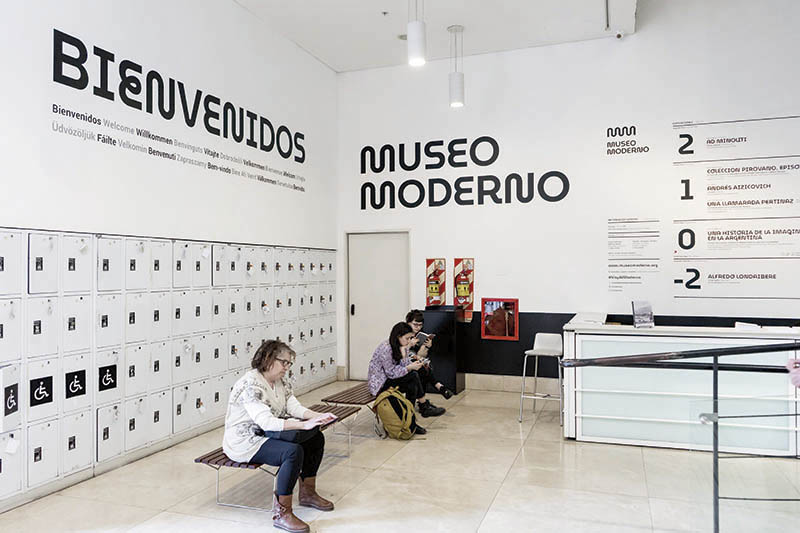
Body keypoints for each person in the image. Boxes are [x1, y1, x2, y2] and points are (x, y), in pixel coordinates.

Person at [223, 339, 337, 533]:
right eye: (284, 362)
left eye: (289, 363)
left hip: (267, 432)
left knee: (315, 437)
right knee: (292, 452)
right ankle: (282, 513)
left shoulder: (280, 381)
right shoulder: (250, 384)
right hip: (245, 440)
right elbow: (266, 422)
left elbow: (294, 407)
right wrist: (303, 424)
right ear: (268, 359)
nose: (287, 367)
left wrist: (318, 417)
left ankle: (308, 493)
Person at [367, 322, 446, 425]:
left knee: (413, 379)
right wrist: (409, 367)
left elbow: (404, 365)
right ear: (398, 336)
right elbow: (391, 372)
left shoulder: (401, 346)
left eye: (410, 338)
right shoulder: (386, 348)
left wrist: (409, 361)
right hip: (380, 384)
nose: (409, 341)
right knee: (412, 376)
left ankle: (411, 419)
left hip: (390, 379)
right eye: (407, 338)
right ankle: (417, 413)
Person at [405, 309, 453, 399]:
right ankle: (439, 387)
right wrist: (409, 344)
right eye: (415, 324)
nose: (418, 328)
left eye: (420, 325)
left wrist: (427, 346)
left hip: (415, 361)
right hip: (402, 363)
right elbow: (401, 352)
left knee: (424, 368)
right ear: (408, 323)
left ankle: (424, 400)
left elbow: (420, 355)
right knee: (423, 368)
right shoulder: (403, 334)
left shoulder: (419, 335)